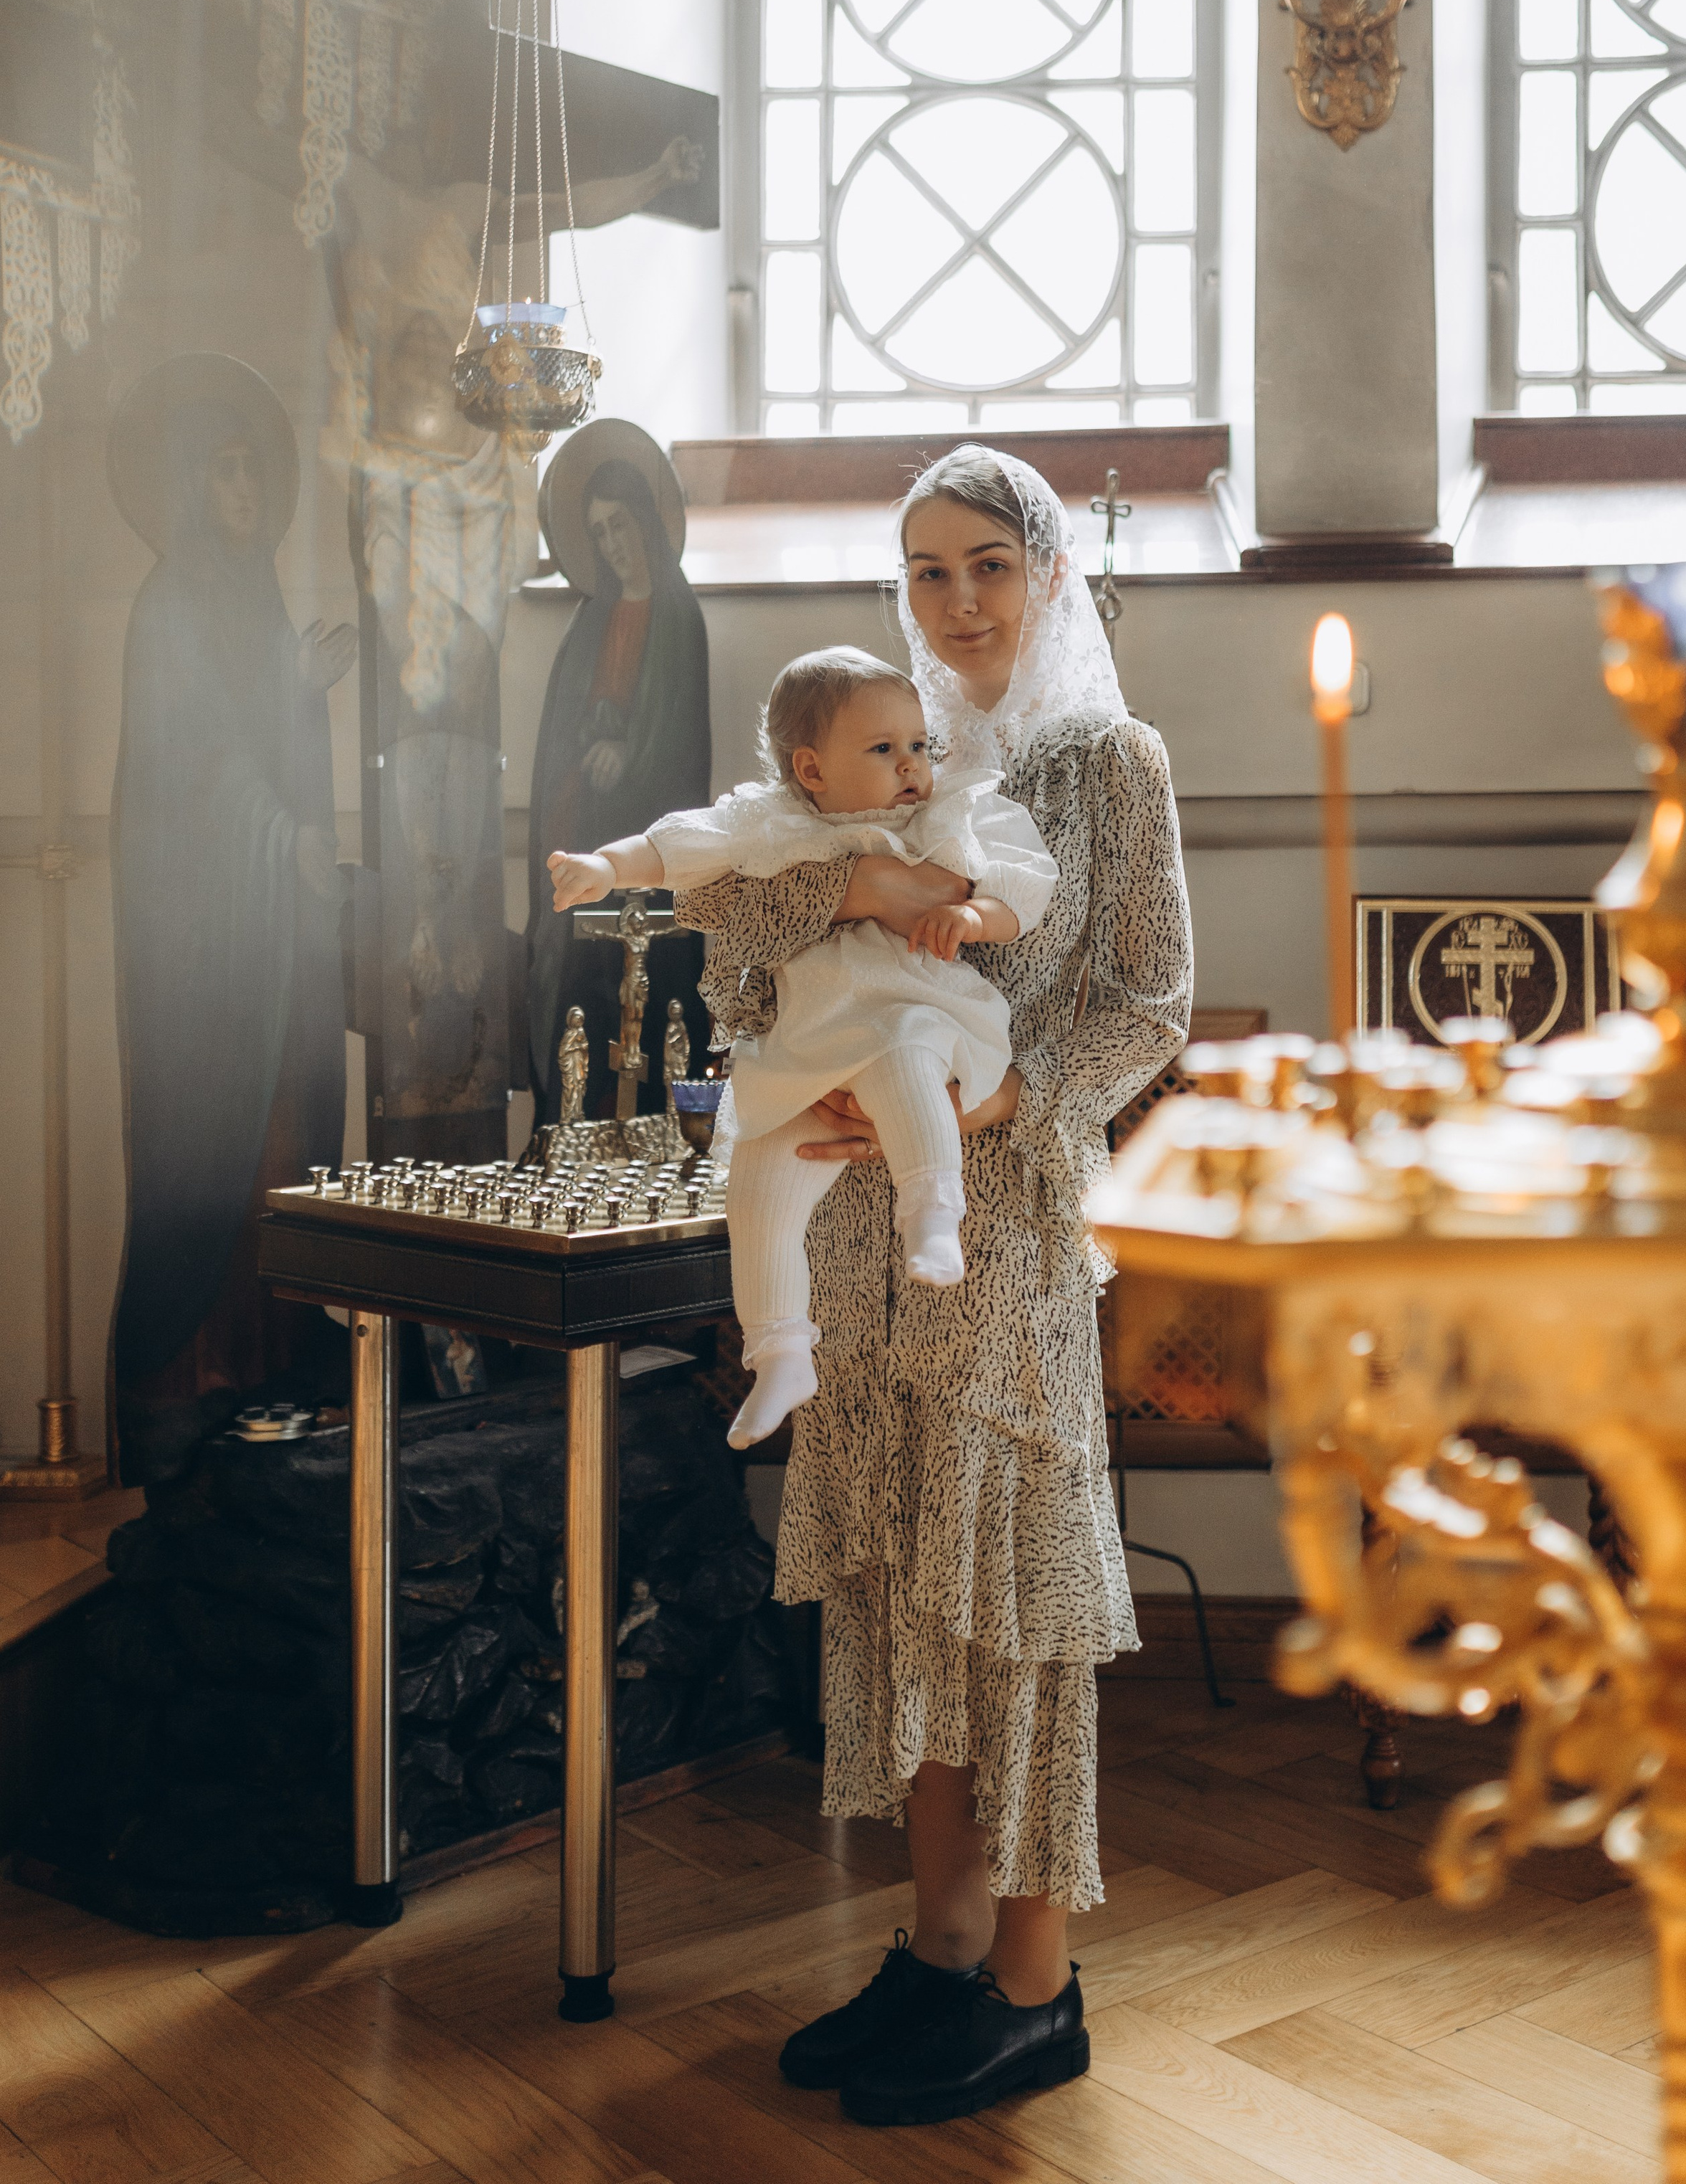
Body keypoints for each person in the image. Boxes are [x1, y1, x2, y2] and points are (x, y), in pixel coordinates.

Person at [671, 445, 1190, 2129]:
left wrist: (1006, 1095)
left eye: (984, 564)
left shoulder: (1104, 765)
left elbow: (1145, 1001)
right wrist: (813, 970)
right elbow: (731, 936)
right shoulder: (862, 750)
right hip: (846, 1227)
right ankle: (939, 1938)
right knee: (902, 1592)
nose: (955, 601)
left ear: (1042, 572)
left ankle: (1033, 1986)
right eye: (923, 572)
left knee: (1013, 1603)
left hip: (1006, 1235)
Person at [549, 647, 1056, 1445]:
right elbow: (678, 845)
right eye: (883, 750)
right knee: (756, 1183)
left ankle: (931, 1208)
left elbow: (1021, 883)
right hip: (805, 1042)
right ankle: (781, 1350)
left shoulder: (938, 818)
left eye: (919, 744)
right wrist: (602, 867)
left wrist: (970, 919)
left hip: (913, 1002)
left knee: (903, 1058)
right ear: (811, 770)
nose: (912, 765)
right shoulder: (771, 825)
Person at [109, 365, 355, 1471]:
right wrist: (279, 837)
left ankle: (271, 1374)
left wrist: (303, 698)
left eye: (257, 464)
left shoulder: (253, 592)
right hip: (202, 952)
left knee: (281, 1141)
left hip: (268, 945)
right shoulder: (171, 602)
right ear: (190, 485)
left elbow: (263, 738)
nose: (248, 486)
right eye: (226, 467)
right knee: (211, 1153)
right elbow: (193, 764)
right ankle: (191, 1382)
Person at [524, 450, 711, 1118]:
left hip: (645, 845)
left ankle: (663, 1133)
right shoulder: (591, 619)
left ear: (647, 524)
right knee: (582, 1000)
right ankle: (574, 1128)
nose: (613, 543)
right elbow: (560, 733)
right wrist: (592, 751)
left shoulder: (679, 617)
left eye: (622, 525)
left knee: (647, 1001)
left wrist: (628, 753)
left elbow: (679, 745)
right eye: (599, 532)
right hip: (582, 831)